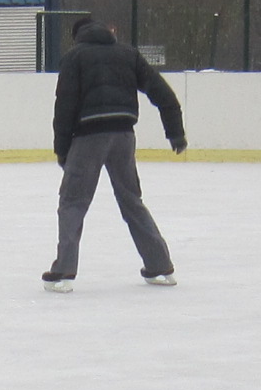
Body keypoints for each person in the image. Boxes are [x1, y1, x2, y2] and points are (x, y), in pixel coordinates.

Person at [44, 18, 185, 288]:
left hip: (89, 137)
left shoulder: (75, 57)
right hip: (124, 135)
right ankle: (159, 265)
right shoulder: (128, 54)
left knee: (72, 202)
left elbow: (64, 107)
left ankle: (64, 272)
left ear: (78, 37)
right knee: (131, 200)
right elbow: (163, 93)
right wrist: (175, 132)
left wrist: (62, 150)